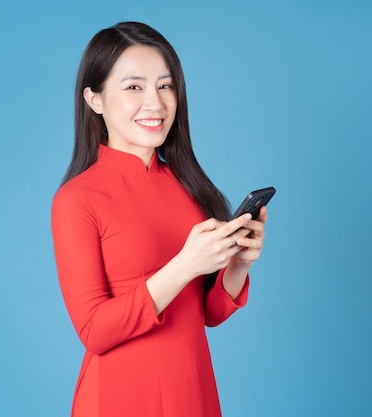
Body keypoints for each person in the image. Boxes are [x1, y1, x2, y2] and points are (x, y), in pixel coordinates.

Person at [51, 21, 269, 417]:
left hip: (193, 389)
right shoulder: (77, 199)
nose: (155, 103)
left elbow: (207, 313)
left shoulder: (188, 186)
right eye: (134, 87)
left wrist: (237, 264)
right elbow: (95, 331)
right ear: (94, 99)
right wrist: (185, 265)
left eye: (165, 86)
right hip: (120, 396)